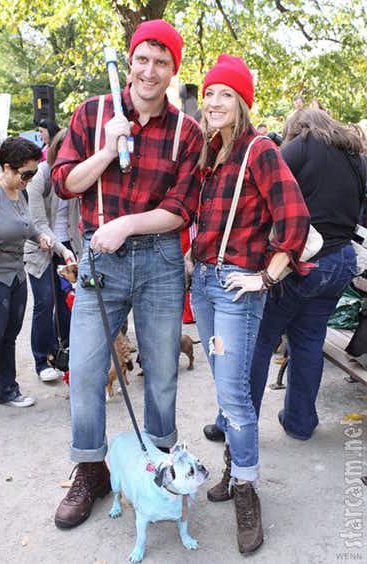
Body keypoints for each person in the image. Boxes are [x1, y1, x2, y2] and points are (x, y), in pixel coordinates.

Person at [51, 19, 202, 529]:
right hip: (100, 259)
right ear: (130, 61)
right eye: (142, 59)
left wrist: (127, 225)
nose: (149, 71)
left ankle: (158, 464)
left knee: (161, 375)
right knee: (88, 372)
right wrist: (106, 150)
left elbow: (181, 208)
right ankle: (90, 469)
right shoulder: (91, 113)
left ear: (172, 70)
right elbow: (66, 183)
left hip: (158, 258)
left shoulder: (188, 131)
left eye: (162, 62)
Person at [189, 54, 310, 553]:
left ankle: (247, 488)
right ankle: (232, 469)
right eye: (210, 93)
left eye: (225, 94)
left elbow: (296, 220)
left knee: (236, 396)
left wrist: (265, 277)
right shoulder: (210, 152)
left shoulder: (259, 150)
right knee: (225, 388)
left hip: (238, 286)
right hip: (205, 284)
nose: (214, 102)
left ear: (241, 102)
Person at [249, 108, 366, 440]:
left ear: (297, 127)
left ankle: (241, 424)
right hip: (342, 260)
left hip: (303, 260)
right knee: (309, 342)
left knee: (261, 341)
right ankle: (300, 423)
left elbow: (265, 186)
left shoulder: (302, 145)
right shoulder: (356, 156)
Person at [0, 137, 51, 407]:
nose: (31, 179)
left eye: (34, 173)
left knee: (9, 335)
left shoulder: (22, 193)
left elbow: (26, 226)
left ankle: (7, 390)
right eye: (26, 173)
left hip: (17, 273)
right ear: (7, 168)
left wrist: (39, 237)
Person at [24, 130, 82, 382]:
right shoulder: (40, 177)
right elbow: (36, 222)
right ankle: (42, 359)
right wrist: (62, 249)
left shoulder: (75, 175)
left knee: (69, 300)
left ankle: (67, 351)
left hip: (68, 245)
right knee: (45, 302)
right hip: (40, 248)